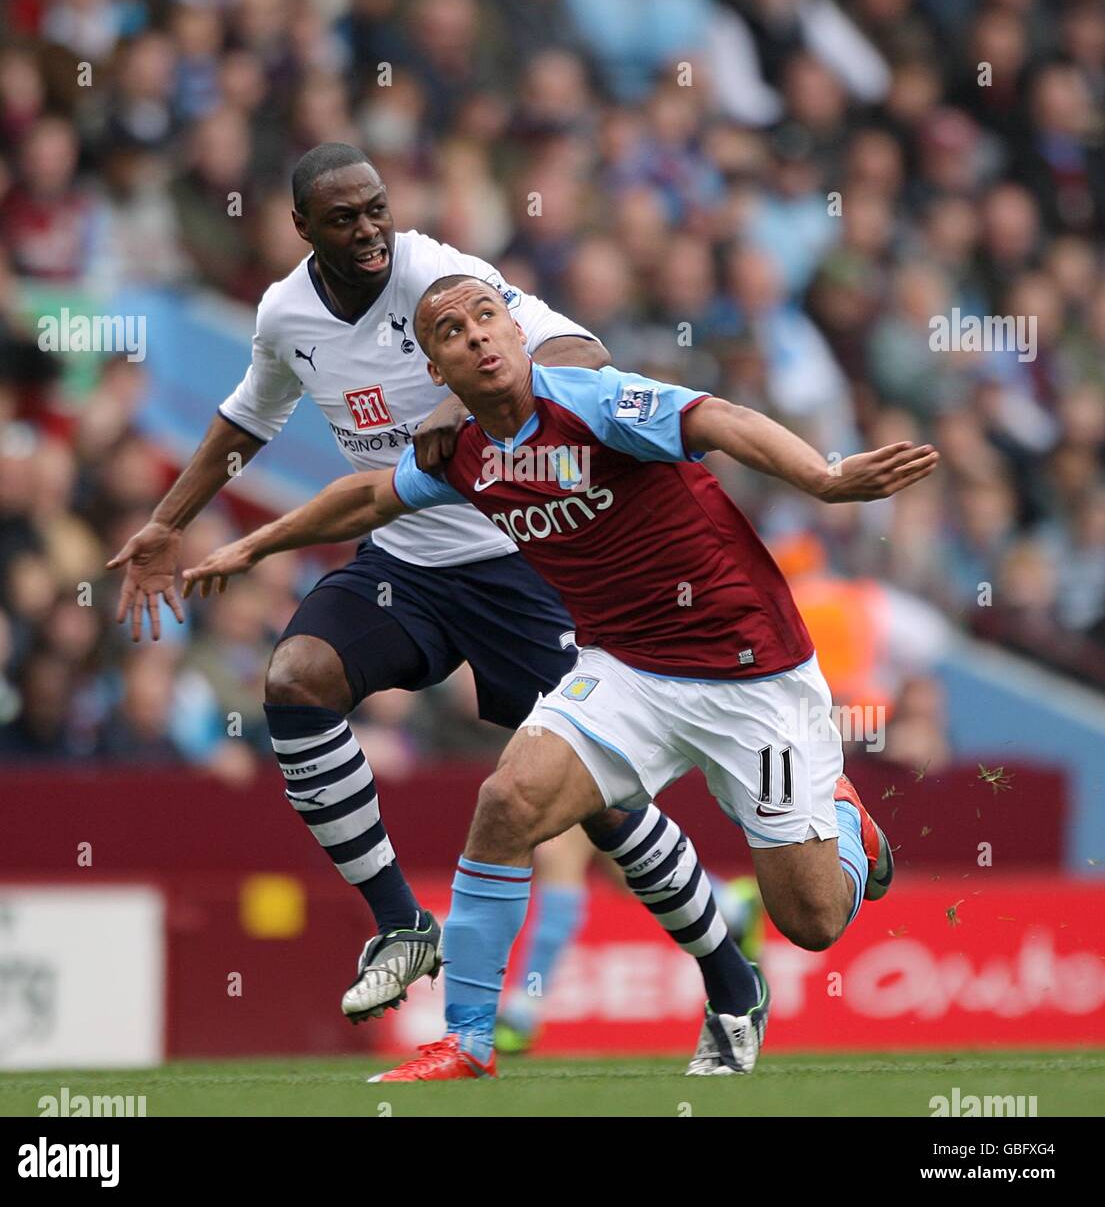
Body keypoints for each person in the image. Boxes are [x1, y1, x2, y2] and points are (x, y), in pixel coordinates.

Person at [180, 274, 940, 1080]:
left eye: (486, 317)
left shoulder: (594, 400)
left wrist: (822, 479)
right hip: (626, 669)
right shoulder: (464, 454)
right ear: (435, 372)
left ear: (517, 331)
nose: (475, 335)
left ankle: (849, 835)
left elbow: (719, 419)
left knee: (811, 921)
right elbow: (367, 498)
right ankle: (468, 1039)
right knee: (507, 804)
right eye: (449, 331)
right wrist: (253, 545)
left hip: (748, 670)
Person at [109, 145, 739, 1043]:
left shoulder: (441, 273)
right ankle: (401, 924)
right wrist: (171, 521)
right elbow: (249, 414)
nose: (368, 230)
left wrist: (456, 402)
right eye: (343, 218)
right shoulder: (286, 314)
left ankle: (725, 968)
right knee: (295, 680)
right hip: (402, 564)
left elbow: (577, 348)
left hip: (517, 563)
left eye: (375, 209)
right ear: (301, 230)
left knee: (599, 803)